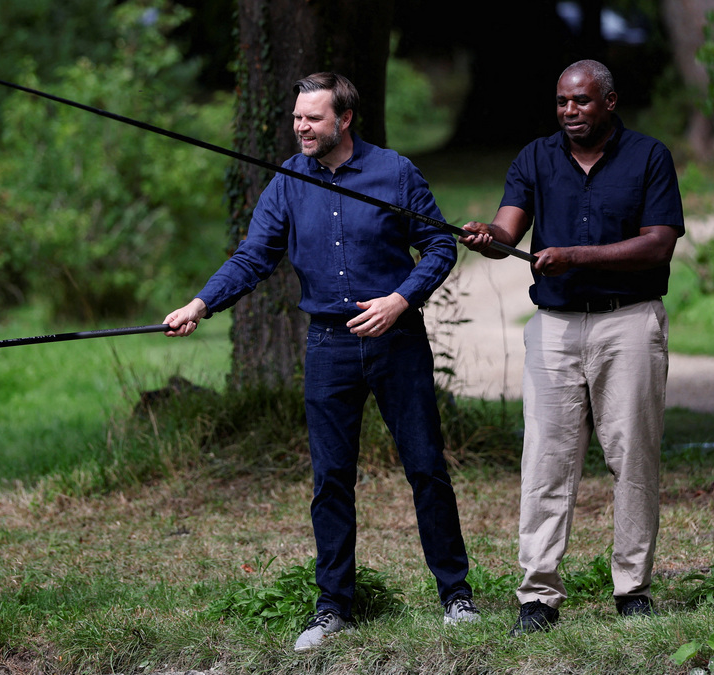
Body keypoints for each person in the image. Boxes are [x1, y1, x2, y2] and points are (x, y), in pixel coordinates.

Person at [163, 72, 478, 653]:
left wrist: (400, 299)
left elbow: (439, 245)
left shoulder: (395, 173)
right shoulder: (288, 181)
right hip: (329, 346)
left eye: (312, 118)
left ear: (345, 119)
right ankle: (333, 606)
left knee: (426, 467)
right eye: (296, 118)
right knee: (331, 478)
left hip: (396, 337)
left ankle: (456, 595)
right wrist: (201, 304)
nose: (301, 128)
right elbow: (254, 255)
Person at [460, 59, 683, 635]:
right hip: (554, 328)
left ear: (609, 102)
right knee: (545, 461)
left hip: (628, 323)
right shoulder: (535, 157)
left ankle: (632, 589)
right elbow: (509, 228)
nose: (568, 112)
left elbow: (658, 245)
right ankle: (537, 596)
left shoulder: (649, 157)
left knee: (632, 458)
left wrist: (575, 254)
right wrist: (490, 237)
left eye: (580, 101)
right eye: (561, 101)